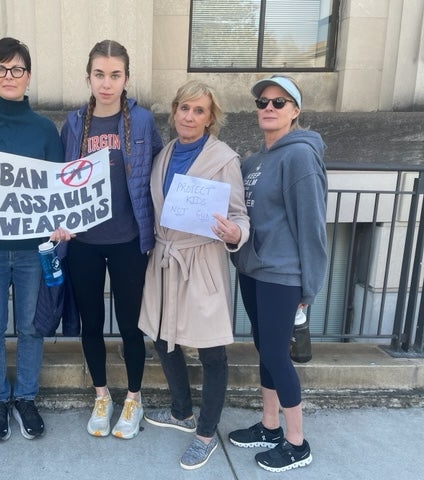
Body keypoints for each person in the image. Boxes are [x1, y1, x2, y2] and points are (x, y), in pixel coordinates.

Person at [51, 40, 163, 439]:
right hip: (83, 242)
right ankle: (103, 395)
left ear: (126, 78)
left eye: (115, 75)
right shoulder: (75, 123)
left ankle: (133, 397)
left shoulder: (144, 122)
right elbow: (62, 180)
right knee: (91, 323)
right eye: (99, 74)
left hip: (129, 240)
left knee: (132, 326)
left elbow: (159, 173)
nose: (107, 83)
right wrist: (60, 223)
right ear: (89, 76)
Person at [138, 80, 249, 470]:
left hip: (200, 262)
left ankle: (206, 433)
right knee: (161, 339)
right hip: (166, 259)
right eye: (184, 108)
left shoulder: (224, 159)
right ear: (174, 111)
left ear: (210, 117)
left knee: (210, 350)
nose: (189, 116)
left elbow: (238, 215)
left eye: (199, 110)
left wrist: (236, 234)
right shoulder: (164, 154)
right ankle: (181, 411)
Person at [0, 37, 64, 442]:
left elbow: (58, 190)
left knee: (30, 328)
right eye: (1, 69)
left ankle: (25, 397)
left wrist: (61, 224)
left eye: (17, 69)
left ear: (28, 77)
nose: (9, 76)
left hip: (31, 247)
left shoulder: (43, 129)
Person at [229, 75, 327, 472]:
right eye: (263, 102)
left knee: (276, 353)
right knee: (264, 350)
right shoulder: (254, 161)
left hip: (283, 274)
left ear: (295, 111)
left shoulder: (300, 156)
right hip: (253, 269)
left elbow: (313, 224)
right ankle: (270, 425)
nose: (268, 108)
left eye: (279, 102)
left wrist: (310, 286)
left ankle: (296, 442)